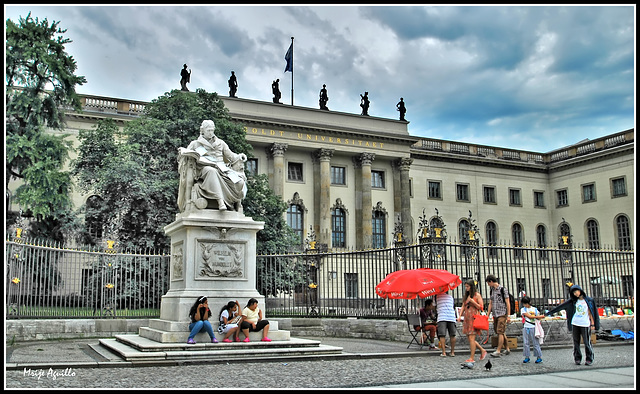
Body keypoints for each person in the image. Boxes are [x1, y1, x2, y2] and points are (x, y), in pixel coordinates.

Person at [184, 119, 248, 211]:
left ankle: (235, 203)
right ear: (202, 131)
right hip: (204, 170)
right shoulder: (195, 144)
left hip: (222, 169)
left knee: (239, 181)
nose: (210, 133)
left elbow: (230, 156)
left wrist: (239, 156)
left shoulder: (220, 143)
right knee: (212, 171)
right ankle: (220, 201)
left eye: (212, 130)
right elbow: (186, 155)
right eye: (208, 130)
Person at [546, 284, 600, 365]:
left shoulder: (589, 300)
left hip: (585, 323)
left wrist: (593, 324)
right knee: (576, 342)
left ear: (580, 290)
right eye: (573, 293)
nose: (575, 294)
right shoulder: (573, 301)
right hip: (575, 323)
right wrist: (549, 313)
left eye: (576, 291)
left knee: (587, 342)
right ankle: (577, 358)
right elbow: (560, 307)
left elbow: (591, 312)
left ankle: (589, 358)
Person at [457, 279, 488, 363]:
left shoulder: (477, 295)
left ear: (471, 287)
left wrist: (473, 302)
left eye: (467, 286)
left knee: (471, 338)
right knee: (470, 338)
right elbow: (463, 305)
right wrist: (460, 316)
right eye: (466, 286)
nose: (466, 288)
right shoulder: (467, 296)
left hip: (473, 318)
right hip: (467, 318)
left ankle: (472, 357)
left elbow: (481, 307)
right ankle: (482, 350)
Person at [485, 274, 512, 357]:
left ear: (491, 281)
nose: (488, 285)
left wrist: (508, 315)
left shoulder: (503, 289)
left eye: (488, 283)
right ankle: (507, 348)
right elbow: (491, 303)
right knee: (500, 331)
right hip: (495, 313)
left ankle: (498, 350)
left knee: (500, 331)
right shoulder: (492, 290)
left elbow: (507, 302)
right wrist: (488, 314)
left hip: (502, 313)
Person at [520, 296, 544, 364]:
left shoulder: (535, 309)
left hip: (533, 327)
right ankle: (527, 356)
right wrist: (538, 316)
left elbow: (538, 318)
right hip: (526, 326)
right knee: (526, 343)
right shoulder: (523, 309)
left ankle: (539, 357)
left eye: (525, 303)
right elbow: (529, 316)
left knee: (535, 343)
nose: (525, 305)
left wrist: (540, 317)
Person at [435, 290, 456, 357]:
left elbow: (433, 306)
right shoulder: (450, 297)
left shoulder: (436, 297)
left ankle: (444, 352)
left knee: (442, 335)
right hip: (451, 317)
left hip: (442, 317)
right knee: (452, 335)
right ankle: (452, 352)